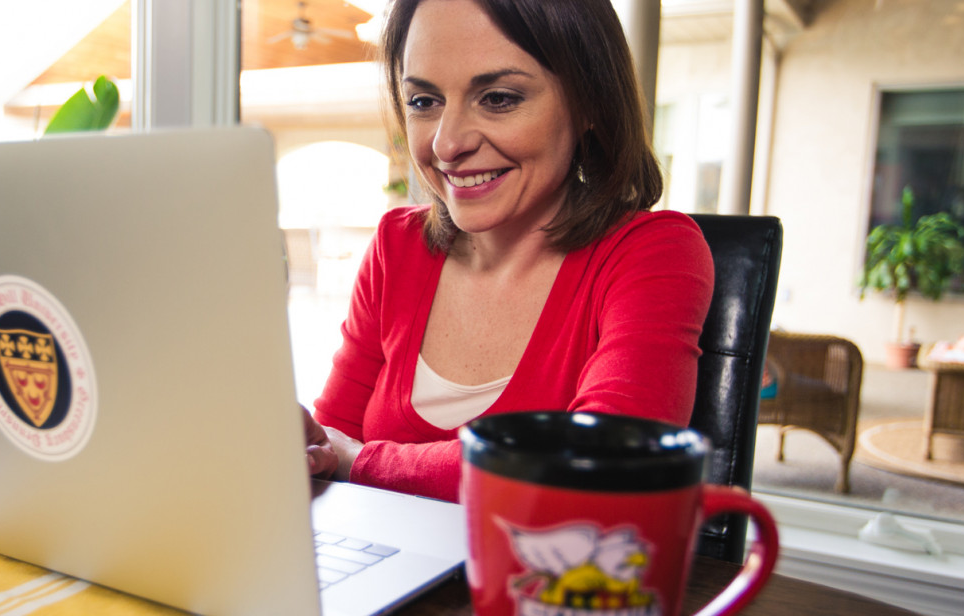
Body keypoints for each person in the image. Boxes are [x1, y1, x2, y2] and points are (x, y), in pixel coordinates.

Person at [304, 0, 715, 503]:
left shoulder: (654, 252)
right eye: (423, 101)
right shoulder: (398, 247)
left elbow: (597, 465)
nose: (447, 143)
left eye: (497, 98)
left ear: (590, 102)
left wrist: (363, 462)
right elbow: (325, 450)